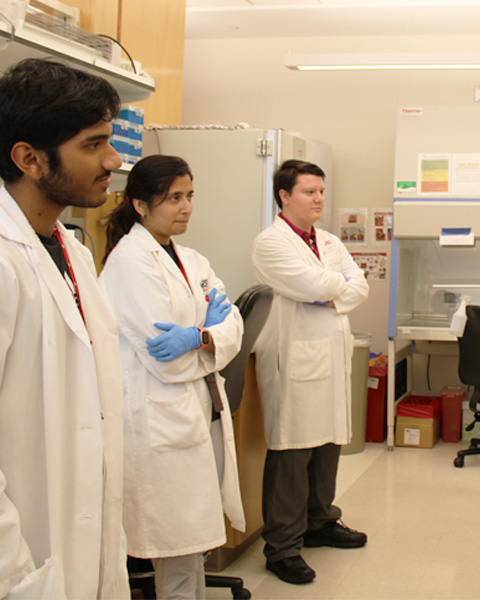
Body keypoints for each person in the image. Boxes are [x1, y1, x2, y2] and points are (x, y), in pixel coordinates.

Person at [0, 58, 129, 599]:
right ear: (29, 158)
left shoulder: (69, 248)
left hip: (81, 539)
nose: (113, 160)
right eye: (93, 144)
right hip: (24, 555)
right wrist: (16, 574)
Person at [99, 155, 246, 599]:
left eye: (189, 196)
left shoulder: (191, 258)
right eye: (173, 198)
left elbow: (234, 325)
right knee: (176, 546)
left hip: (193, 411)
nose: (185, 208)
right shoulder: (130, 262)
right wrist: (208, 337)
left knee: (190, 546)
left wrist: (199, 335)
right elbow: (168, 360)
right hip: (157, 418)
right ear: (140, 205)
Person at [251, 159, 369, 585]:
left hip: (330, 357)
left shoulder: (331, 241)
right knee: (292, 452)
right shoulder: (271, 243)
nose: (318, 199)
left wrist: (330, 288)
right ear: (284, 196)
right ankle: (282, 547)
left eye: (321, 191)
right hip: (295, 360)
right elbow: (313, 285)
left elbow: (359, 286)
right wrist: (331, 286)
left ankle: (320, 522)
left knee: (329, 446)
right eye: (308, 192)